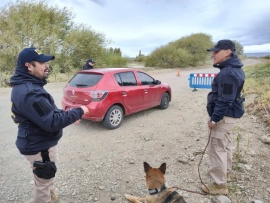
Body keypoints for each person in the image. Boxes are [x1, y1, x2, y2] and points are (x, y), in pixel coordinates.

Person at [10, 47, 89, 203]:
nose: (46, 65)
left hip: (35, 142)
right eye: (41, 62)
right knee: (42, 186)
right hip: (40, 147)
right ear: (29, 66)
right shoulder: (30, 92)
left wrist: (68, 115)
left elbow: (47, 112)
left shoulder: (27, 86)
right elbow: (52, 122)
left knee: (44, 178)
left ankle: (52, 196)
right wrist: (80, 111)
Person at [201, 40, 245, 195]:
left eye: (216, 51)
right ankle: (225, 174)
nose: (213, 54)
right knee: (225, 146)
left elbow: (226, 99)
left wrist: (214, 119)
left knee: (217, 148)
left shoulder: (228, 73)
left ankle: (219, 185)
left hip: (224, 117)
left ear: (227, 52)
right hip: (229, 116)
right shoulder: (233, 69)